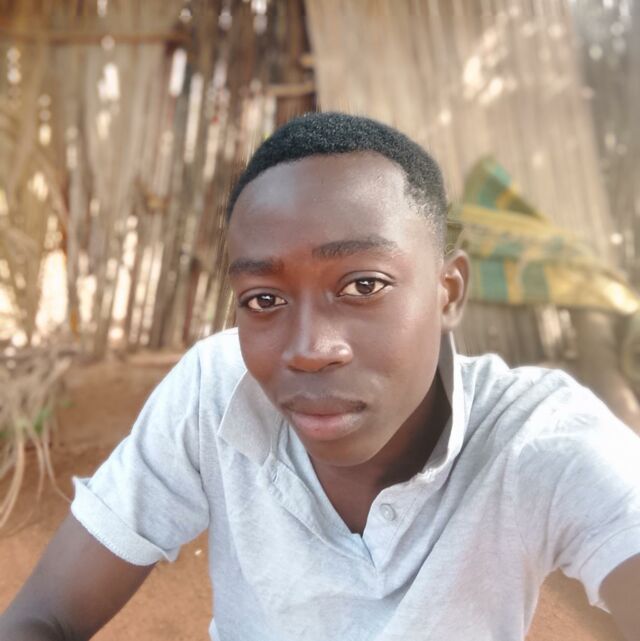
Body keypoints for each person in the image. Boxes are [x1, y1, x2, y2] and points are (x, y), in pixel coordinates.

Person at [1, 112, 639, 641]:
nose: (309, 350)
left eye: (363, 285)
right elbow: (46, 616)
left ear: (448, 292)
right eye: (264, 299)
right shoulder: (215, 394)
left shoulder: (539, 442)